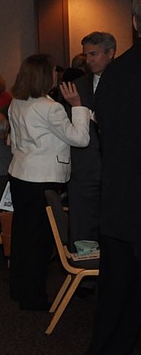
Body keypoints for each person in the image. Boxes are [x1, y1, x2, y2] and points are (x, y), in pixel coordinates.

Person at [79, 0, 141, 355]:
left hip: (121, 204)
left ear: (134, 22)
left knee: (118, 303)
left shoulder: (114, 76)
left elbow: (109, 142)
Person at [7, 54, 90, 311]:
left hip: (20, 173)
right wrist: (77, 105)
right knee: (39, 242)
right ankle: (34, 298)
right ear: (44, 75)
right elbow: (80, 138)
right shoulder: (49, 106)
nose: (57, 75)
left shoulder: (17, 102)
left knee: (22, 236)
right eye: (54, 71)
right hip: (42, 178)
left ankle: (20, 289)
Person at [67, 31, 115, 246]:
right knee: (83, 227)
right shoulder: (76, 85)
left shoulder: (125, 80)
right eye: (86, 55)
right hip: (84, 169)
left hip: (117, 168)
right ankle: (84, 277)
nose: (89, 60)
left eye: (94, 54)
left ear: (110, 53)